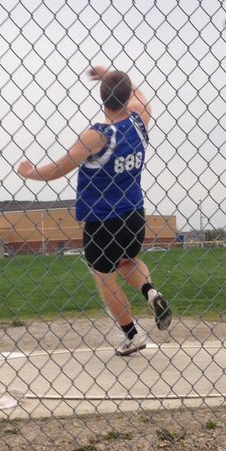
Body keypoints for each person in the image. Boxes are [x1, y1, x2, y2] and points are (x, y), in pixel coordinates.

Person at [17, 65, 171, 356]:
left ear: (102, 99)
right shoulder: (140, 121)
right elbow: (141, 97)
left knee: (105, 279)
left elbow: (58, 169)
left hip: (102, 221)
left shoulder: (97, 136)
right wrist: (114, 74)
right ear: (127, 97)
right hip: (134, 215)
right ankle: (151, 292)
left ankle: (132, 334)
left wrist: (30, 171)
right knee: (129, 261)